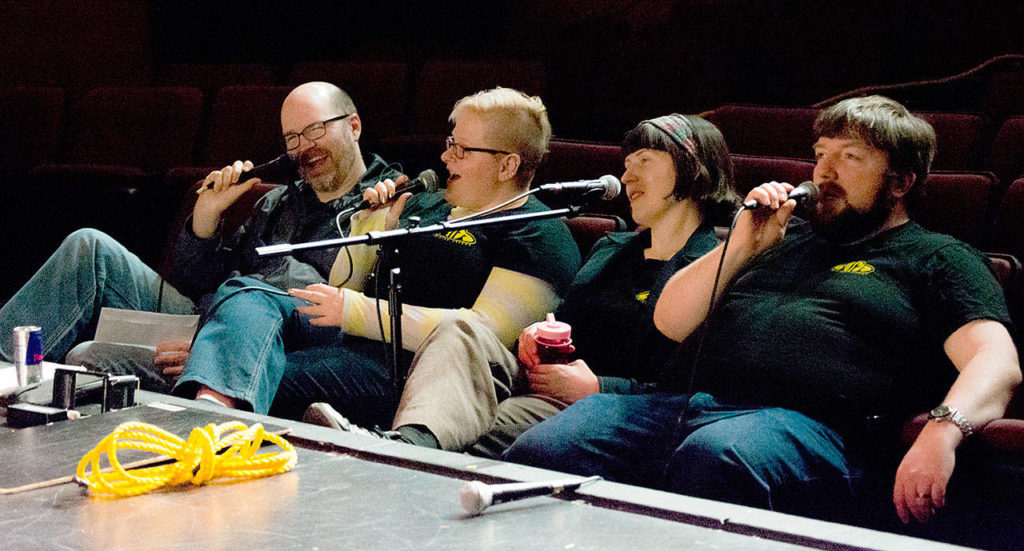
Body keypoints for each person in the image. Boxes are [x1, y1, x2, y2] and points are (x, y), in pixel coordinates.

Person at [503, 96, 1021, 528]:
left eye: (850, 158)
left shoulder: (938, 258)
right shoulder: (777, 237)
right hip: (681, 407)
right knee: (549, 447)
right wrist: (742, 244)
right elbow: (670, 320)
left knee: (716, 456)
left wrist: (943, 430)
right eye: (821, 155)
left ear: (900, 182)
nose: (825, 172)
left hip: (813, 429)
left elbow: (996, 363)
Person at [304, 114, 739, 456]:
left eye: (644, 161)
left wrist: (600, 387)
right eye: (626, 165)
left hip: (611, 406)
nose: (626, 178)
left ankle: (399, 449)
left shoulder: (715, 268)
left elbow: (697, 385)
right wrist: (538, 336)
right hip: (540, 385)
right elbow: (565, 323)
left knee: (466, 427)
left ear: (692, 169)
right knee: (463, 327)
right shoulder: (612, 248)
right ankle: (404, 449)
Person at [172, 87, 582, 431]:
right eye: (449, 145)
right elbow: (345, 284)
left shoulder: (539, 232)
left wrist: (356, 312)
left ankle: (204, 425)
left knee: (241, 372)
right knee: (247, 292)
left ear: (507, 165)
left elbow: (483, 335)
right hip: (351, 347)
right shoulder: (426, 205)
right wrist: (369, 223)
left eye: (461, 150)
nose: (446, 159)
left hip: (416, 374)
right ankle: (210, 413)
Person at [0, 81, 400, 392]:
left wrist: (221, 347)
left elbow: (345, 329)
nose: (304, 148)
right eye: (292, 139)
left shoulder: (391, 204)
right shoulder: (277, 202)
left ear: (353, 126)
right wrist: (206, 220)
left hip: (256, 342)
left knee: (88, 356)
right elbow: (196, 283)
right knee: (89, 246)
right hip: (206, 319)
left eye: (315, 129)